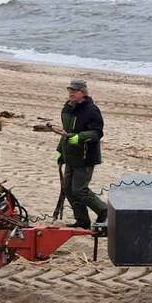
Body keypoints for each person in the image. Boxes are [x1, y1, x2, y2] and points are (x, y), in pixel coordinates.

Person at [57, 79, 107, 229]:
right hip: (70, 156)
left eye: (75, 90)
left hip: (85, 157)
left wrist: (80, 137)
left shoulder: (91, 110)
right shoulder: (66, 109)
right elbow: (64, 133)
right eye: (70, 90)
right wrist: (59, 152)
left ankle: (104, 211)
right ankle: (83, 221)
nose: (71, 93)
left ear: (83, 93)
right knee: (68, 189)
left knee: (79, 189)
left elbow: (97, 133)